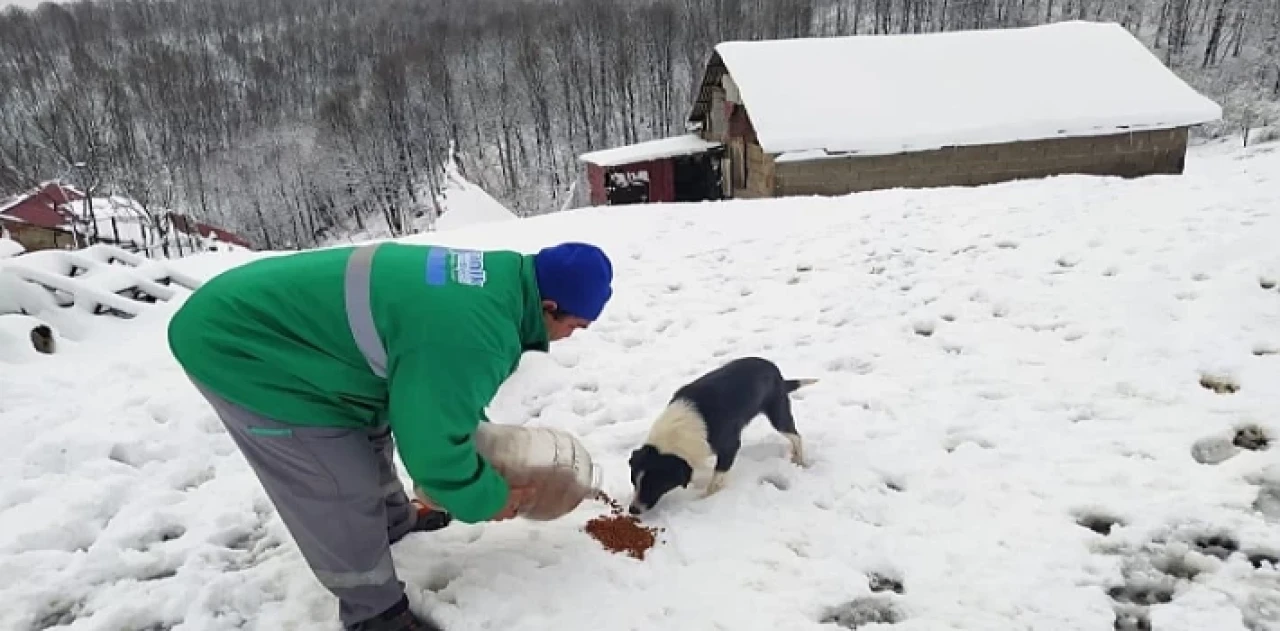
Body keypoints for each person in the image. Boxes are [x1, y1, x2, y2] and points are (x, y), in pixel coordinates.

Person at [166, 240, 614, 631]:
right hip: (242, 345)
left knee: (371, 429)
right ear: (549, 307)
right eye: (573, 327)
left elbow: (438, 395)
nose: (567, 338)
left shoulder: (498, 282)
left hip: (306, 338)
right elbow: (434, 447)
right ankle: (372, 612)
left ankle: (394, 522)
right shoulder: (476, 332)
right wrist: (487, 499)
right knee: (337, 482)